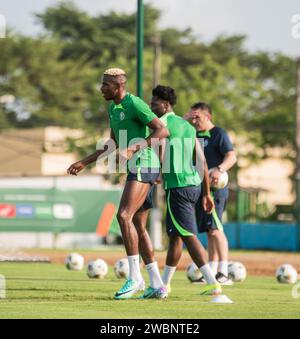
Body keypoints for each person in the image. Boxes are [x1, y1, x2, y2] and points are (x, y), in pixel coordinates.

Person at [67, 68, 170, 299]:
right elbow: (111, 144)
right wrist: (84, 162)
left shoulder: (135, 104)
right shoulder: (113, 108)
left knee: (123, 216)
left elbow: (162, 130)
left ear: (118, 86)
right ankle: (157, 284)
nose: (101, 88)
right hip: (137, 166)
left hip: (145, 163)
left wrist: (134, 147)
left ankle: (134, 278)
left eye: (105, 84)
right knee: (138, 225)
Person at [150, 85, 222, 296]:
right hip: (194, 185)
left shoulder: (159, 124)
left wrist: (157, 173)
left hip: (178, 187)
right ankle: (165, 285)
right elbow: (202, 161)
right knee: (176, 237)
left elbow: (159, 148)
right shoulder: (187, 126)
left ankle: (212, 282)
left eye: (154, 103)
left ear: (165, 105)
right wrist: (207, 193)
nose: (151, 106)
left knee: (189, 236)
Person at [184, 103, 237, 285]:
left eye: (197, 117)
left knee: (216, 229)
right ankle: (212, 272)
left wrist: (219, 169)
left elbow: (231, 156)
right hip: (199, 188)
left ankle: (224, 272)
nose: (194, 121)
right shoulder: (192, 134)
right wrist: (185, 117)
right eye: (193, 117)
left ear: (208, 117)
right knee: (209, 231)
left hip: (215, 189)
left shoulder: (219, 134)